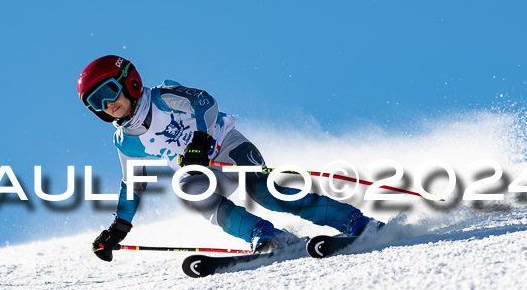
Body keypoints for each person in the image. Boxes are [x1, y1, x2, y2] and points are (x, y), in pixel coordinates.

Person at [77, 55, 381, 261]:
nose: (107, 104)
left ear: (129, 82)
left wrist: (201, 140)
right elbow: (133, 184)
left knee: (264, 192)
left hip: (225, 146)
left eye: (109, 91)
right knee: (195, 195)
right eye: (95, 102)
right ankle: (266, 236)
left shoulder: (162, 98)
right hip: (198, 169)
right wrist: (119, 228)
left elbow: (205, 102)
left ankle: (354, 221)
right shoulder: (126, 142)